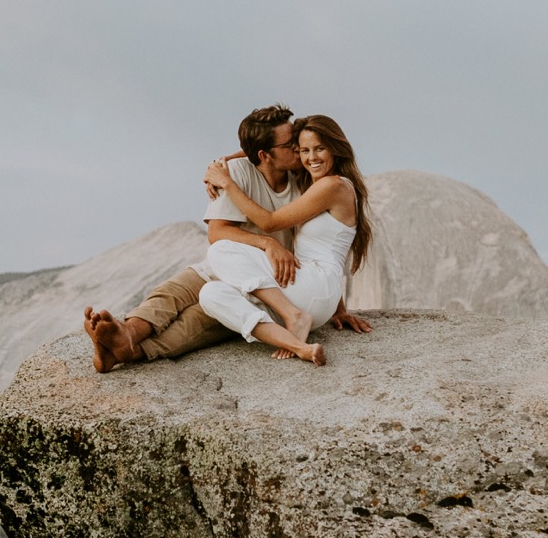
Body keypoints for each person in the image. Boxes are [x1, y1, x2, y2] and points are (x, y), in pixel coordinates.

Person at [83, 104, 369, 371]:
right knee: (178, 290)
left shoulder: (306, 178)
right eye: (293, 145)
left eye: (304, 144)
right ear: (264, 155)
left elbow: (324, 247)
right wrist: (226, 164)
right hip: (248, 264)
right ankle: (126, 335)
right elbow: (217, 233)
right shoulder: (239, 171)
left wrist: (333, 305)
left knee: (202, 319)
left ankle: (132, 351)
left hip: (280, 281)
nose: (301, 151)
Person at [199, 114, 371, 366]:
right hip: (310, 294)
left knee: (220, 250)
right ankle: (297, 345)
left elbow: (270, 223)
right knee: (211, 294)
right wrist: (221, 162)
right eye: (304, 150)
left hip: (315, 287)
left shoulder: (333, 186)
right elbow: (262, 150)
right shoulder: (312, 183)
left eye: (320, 149)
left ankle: (294, 317)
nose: (311, 157)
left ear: (336, 148)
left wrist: (227, 182)